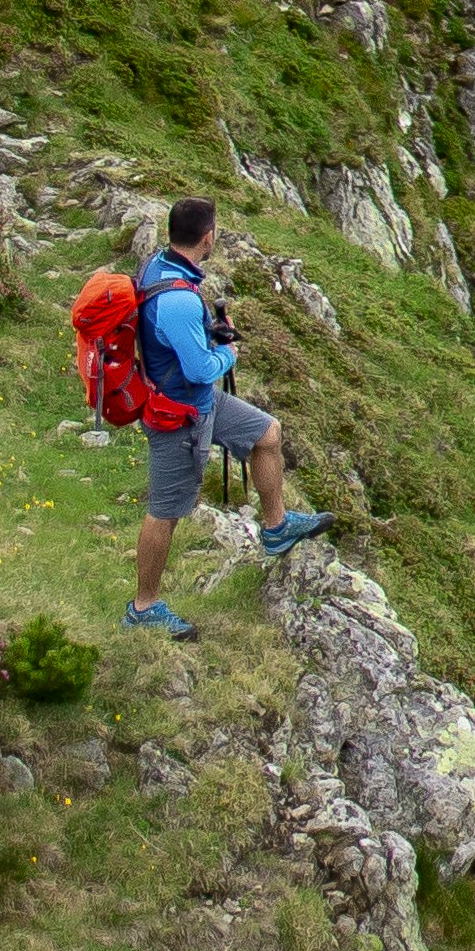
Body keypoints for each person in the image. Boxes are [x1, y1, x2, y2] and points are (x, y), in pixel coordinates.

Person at [125, 198, 329, 637]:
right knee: (165, 511)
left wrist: (208, 336)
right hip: (178, 415)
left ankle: (275, 527)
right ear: (207, 236)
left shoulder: (159, 267)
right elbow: (200, 368)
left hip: (200, 402)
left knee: (267, 433)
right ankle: (143, 607)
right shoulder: (177, 300)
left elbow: (173, 341)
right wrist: (226, 352)